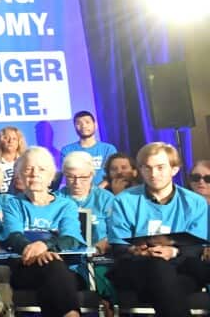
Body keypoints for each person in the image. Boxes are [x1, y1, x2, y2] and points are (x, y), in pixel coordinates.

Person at [107, 141, 210, 315]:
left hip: (181, 266)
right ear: (140, 170)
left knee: (170, 278)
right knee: (159, 267)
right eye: (147, 168)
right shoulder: (123, 201)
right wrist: (138, 251)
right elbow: (119, 246)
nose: (153, 174)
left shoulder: (195, 202)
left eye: (160, 167)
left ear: (174, 169)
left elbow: (196, 246)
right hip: (136, 268)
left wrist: (173, 252)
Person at [0, 147, 86, 317]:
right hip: (25, 269)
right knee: (52, 268)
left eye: (41, 169)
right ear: (20, 175)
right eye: (28, 169)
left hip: (66, 269)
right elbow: (13, 237)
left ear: (51, 176)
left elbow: (71, 239)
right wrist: (38, 253)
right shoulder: (13, 204)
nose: (34, 174)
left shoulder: (66, 205)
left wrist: (45, 246)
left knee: (54, 270)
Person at [58, 150, 115, 251]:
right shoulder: (56, 199)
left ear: (92, 175)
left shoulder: (106, 199)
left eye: (83, 177)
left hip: (99, 257)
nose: (77, 182)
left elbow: (117, 232)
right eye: (71, 177)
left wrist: (100, 246)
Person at [58, 111, 117, 188]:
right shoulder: (67, 150)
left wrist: (98, 190)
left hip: (103, 192)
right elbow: (68, 175)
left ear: (95, 125)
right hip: (76, 192)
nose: (84, 126)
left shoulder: (108, 149)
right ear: (75, 127)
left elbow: (113, 173)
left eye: (87, 122)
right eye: (79, 123)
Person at [0, 126, 28, 193]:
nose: (10, 141)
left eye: (14, 139)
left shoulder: (26, 162)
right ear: (0, 141)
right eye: (6, 138)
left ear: (19, 142)